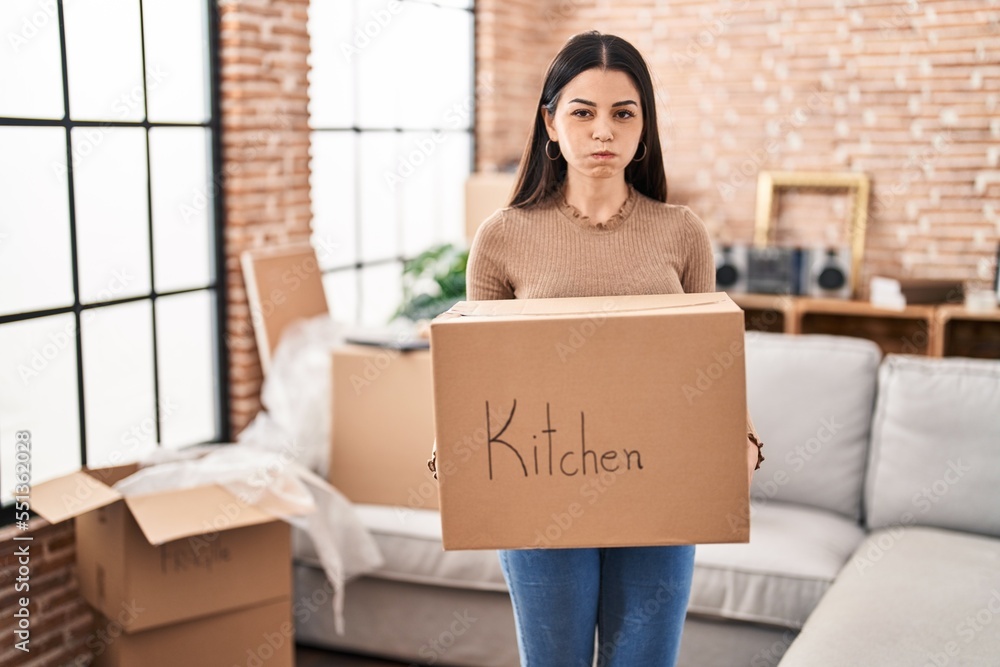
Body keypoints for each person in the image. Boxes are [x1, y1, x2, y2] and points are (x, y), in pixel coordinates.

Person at [462, 31, 765, 666]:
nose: (604, 130)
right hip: (540, 498)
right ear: (550, 122)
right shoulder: (501, 239)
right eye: (583, 111)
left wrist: (743, 439)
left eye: (623, 113)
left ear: (644, 127)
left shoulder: (681, 233)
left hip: (661, 491)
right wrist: (452, 450)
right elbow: (478, 380)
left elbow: (705, 364)